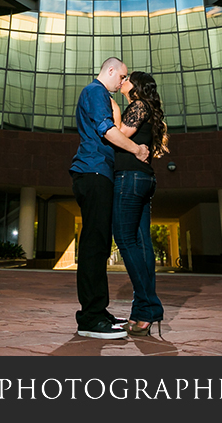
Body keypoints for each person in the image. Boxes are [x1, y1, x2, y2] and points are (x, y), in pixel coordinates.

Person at [70, 57, 149, 339]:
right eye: (122, 76)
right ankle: (89, 318)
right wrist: (137, 149)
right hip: (91, 173)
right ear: (111, 70)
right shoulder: (95, 91)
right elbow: (107, 130)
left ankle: (97, 311)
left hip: (98, 173)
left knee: (101, 245)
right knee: (94, 245)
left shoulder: (102, 95)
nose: (122, 83)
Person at [111, 70, 168, 336]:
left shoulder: (138, 105)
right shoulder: (146, 107)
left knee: (124, 238)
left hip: (131, 179)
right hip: (144, 179)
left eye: (127, 78)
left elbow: (120, 133)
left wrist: (112, 106)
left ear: (136, 86)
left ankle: (149, 306)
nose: (122, 81)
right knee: (142, 243)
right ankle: (142, 312)